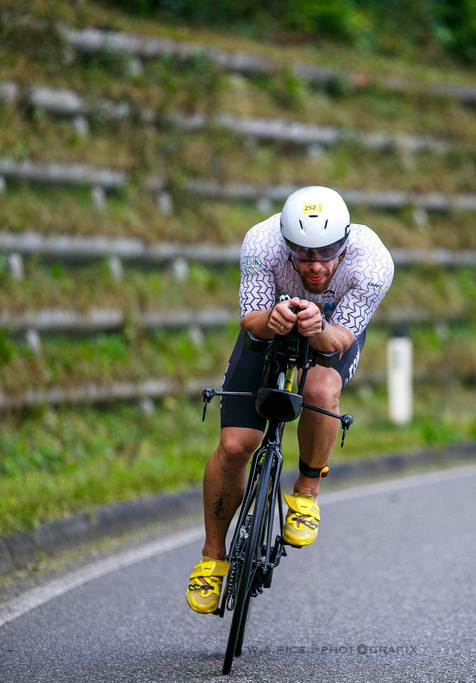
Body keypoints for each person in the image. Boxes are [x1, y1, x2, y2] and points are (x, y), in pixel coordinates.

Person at [187, 185, 394, 613]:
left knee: (320, 389)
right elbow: (250, 322)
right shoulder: (261, 243)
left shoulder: (372, 262)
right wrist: (270, 319)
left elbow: (340, 340)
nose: (315, 265)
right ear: (284, 243)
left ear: (346, 241)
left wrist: (317, 328)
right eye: (302, 253)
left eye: (326, 252)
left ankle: (305, 492)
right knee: (234, 447)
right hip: (271, 321)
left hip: (331, 328)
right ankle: (212, 558)